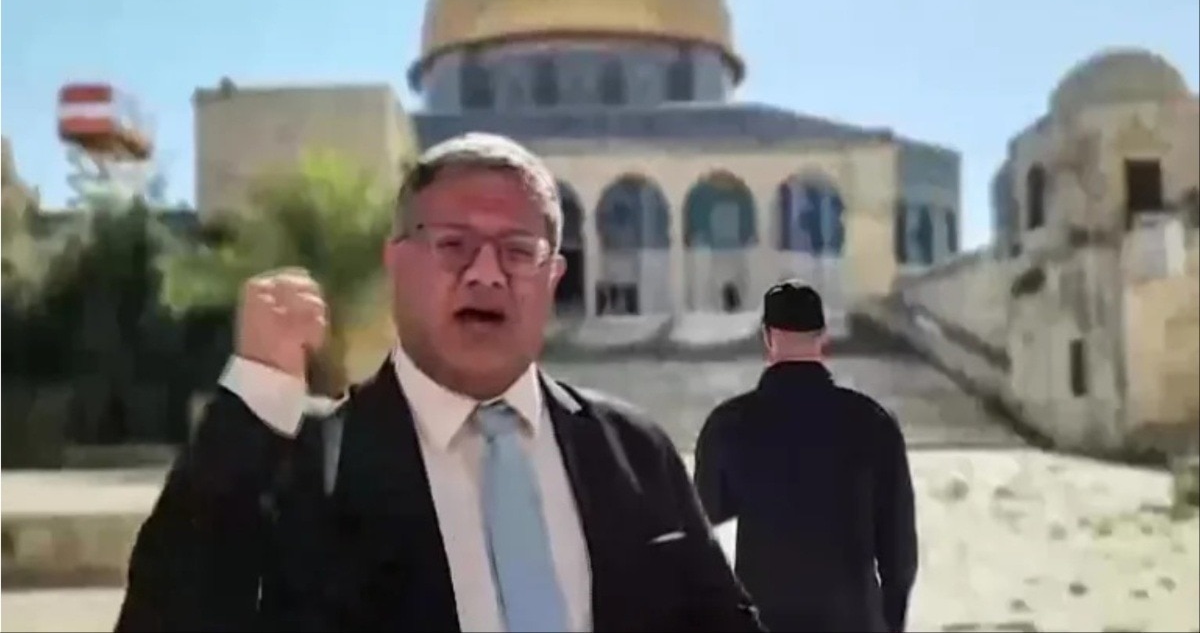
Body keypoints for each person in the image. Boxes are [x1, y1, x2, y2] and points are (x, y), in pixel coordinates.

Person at [115, 133, 763, 632]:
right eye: (453, 245)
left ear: (553, 279)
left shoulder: (632, 451)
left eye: (518, 251)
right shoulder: (306, 466)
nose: (487, 273)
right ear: (397, 263)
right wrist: (257, 392)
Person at [693, 280, 918, 633]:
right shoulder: (872, 423)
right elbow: (899, 553)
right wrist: (888, 622)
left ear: (767, 338)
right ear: (823, 338)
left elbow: (699, 528)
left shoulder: (729, 424)